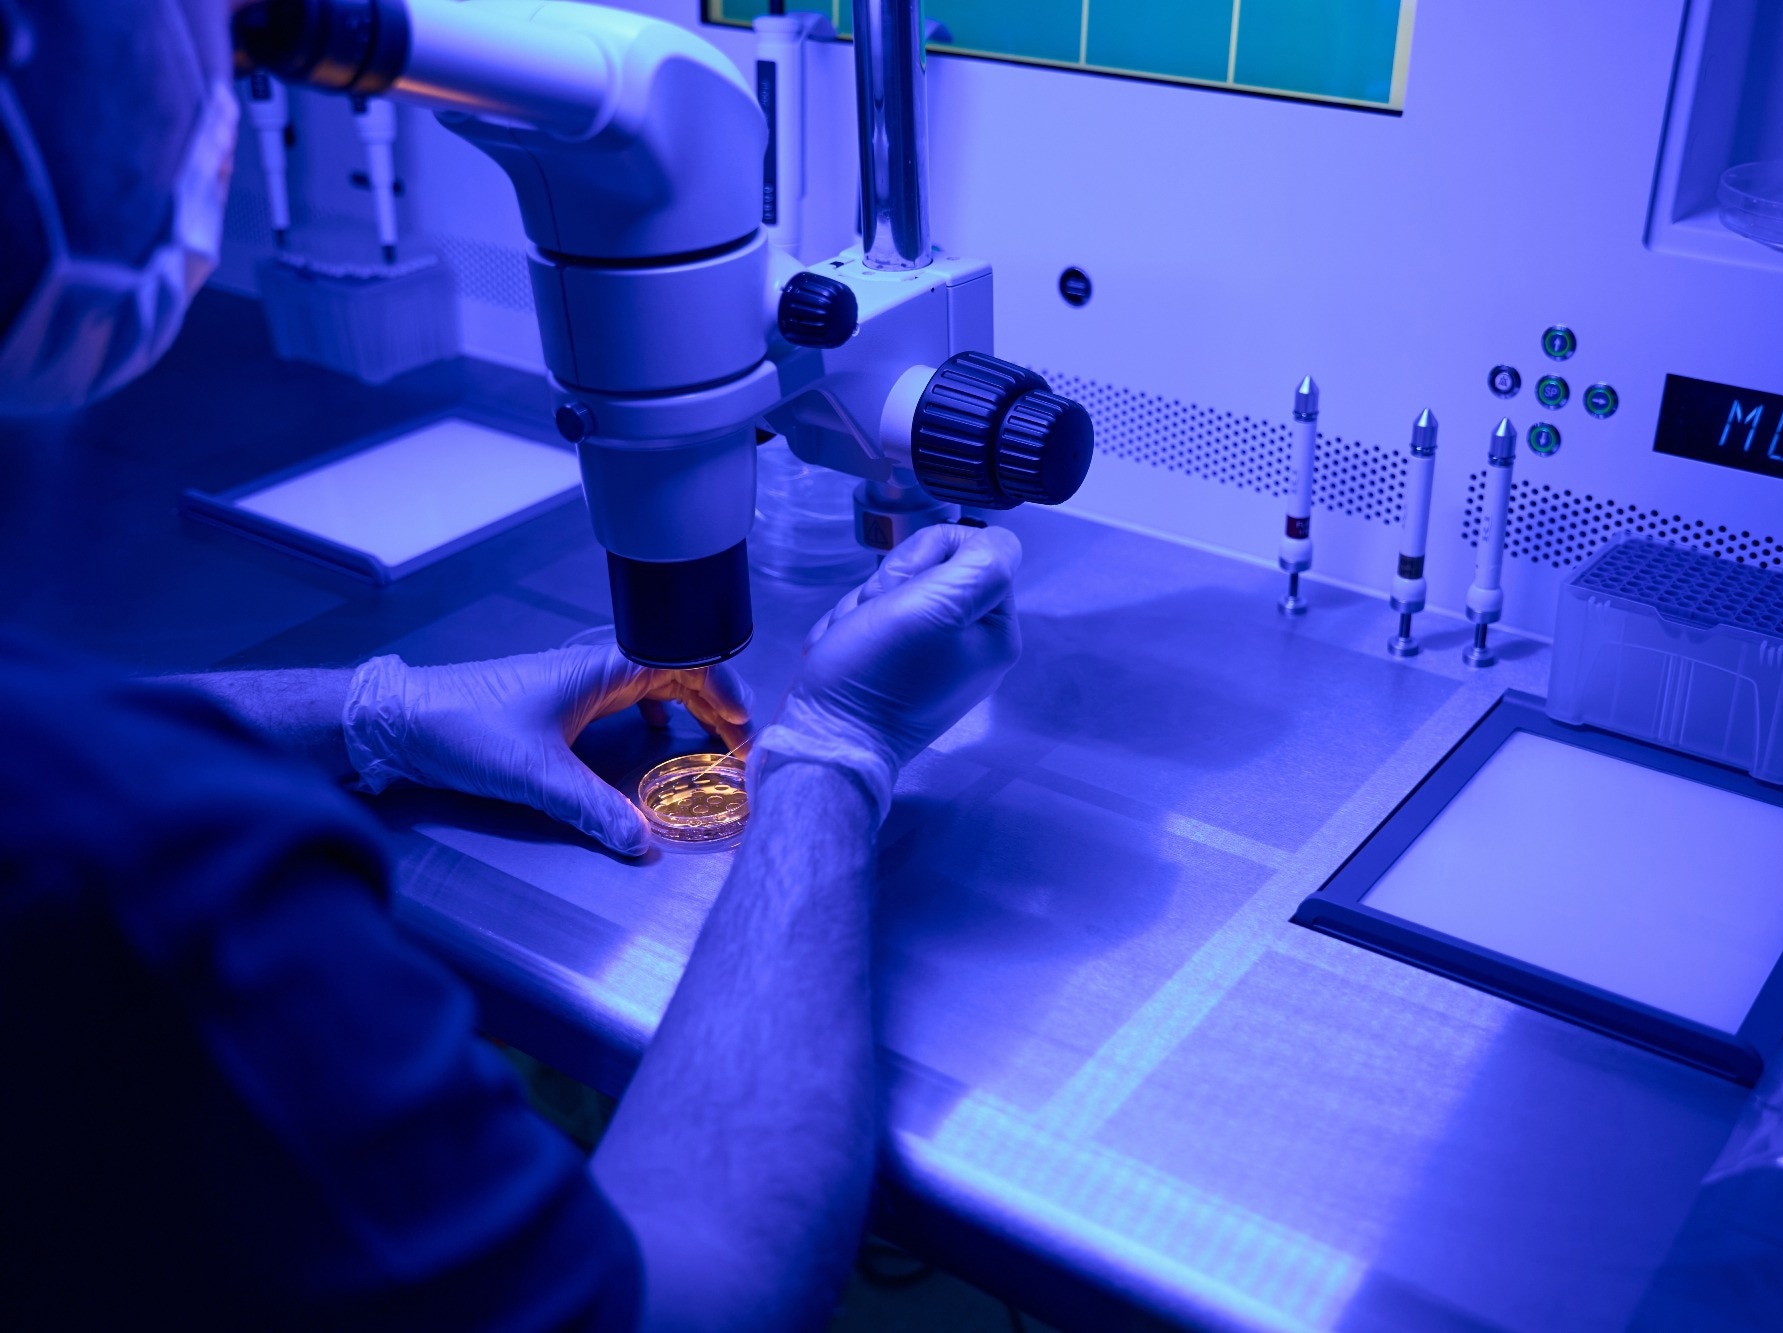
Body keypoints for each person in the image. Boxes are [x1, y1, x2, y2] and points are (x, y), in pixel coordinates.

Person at [0, 0, 1025, 1327]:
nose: (224, 67)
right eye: (199, 26)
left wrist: (374, 709)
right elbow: (687, 1311)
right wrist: (834, 753)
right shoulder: (160, 880)